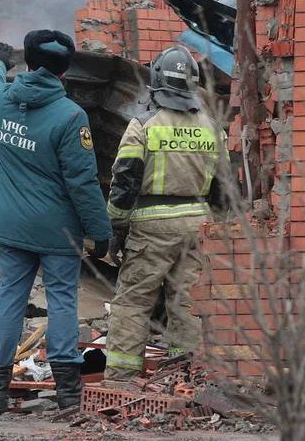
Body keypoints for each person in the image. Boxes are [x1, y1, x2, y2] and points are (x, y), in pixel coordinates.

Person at [0, 29, 113, 414]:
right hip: (57, 231)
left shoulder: (2, 102)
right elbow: (82, 182)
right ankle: (69, 395)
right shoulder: (71, 116)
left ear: (29, 64)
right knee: (62, 302)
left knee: (9, 300)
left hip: (11, 227)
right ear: (64, 73)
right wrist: (99, 231)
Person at [103, 44, 222, 381]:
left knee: (133, 302)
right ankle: (186, 374)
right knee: (187, 301)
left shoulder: (143, 126)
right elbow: (225, 188)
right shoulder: (214, 129)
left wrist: (116, 229)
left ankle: (122, 378)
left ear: (156, 83)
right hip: (199, 225)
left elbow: (124, 182)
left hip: (151, 226)